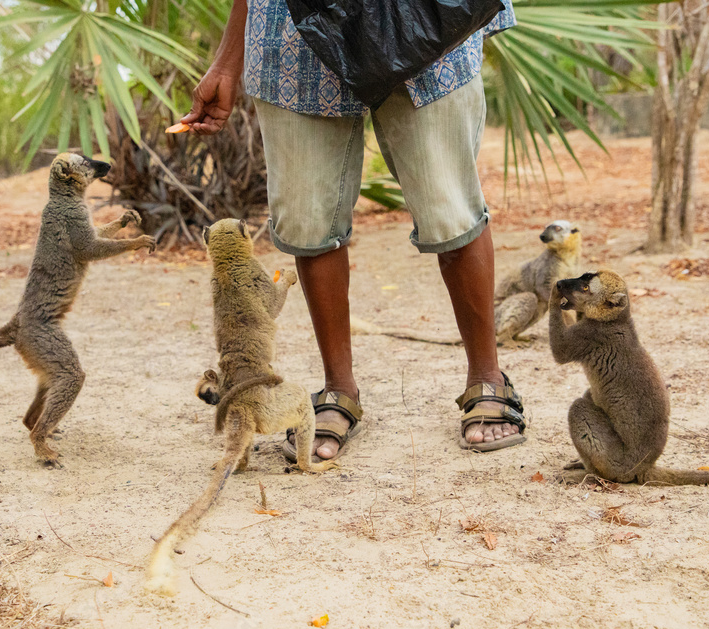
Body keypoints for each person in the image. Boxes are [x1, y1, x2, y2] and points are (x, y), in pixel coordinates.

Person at [182, 0, 526, 460]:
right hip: (294, 42)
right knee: (310, 220)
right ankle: (338, 389)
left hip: (423, 24)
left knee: (452, 208)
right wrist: (227, 59)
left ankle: (487, 376)